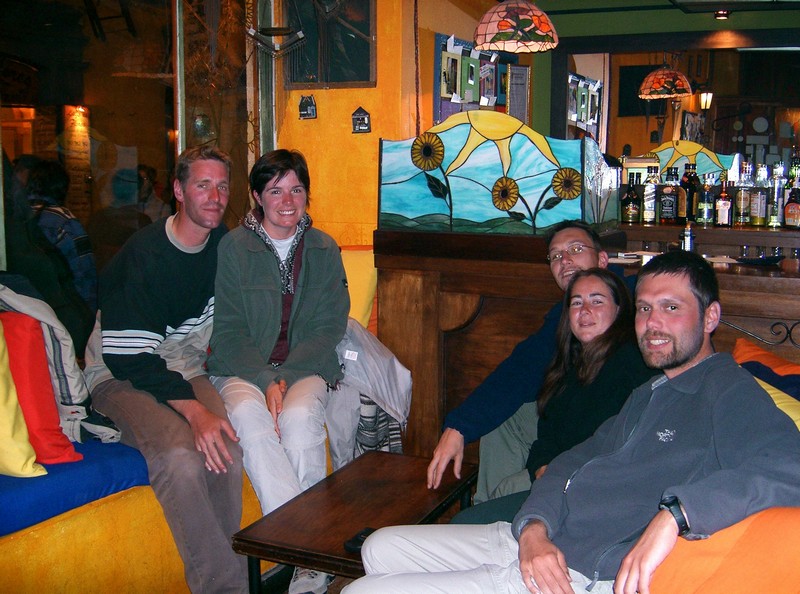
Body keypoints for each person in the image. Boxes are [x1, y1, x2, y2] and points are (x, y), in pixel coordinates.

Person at [343, 250, 800, 594]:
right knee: (377, 547)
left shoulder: (727, 389)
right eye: (644, 308)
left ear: (711, 317)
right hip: (542, 538)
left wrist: (676, 515)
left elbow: (788, 465)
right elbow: (569, 463)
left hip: (576, 573)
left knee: (363, 591)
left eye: (671, 307)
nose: (653, 323)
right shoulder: (651, 392)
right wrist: (535, 528)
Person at [82, 146, 248, 593]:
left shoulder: (220, 245)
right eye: (201, 185)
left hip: (182, 366)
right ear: (177, 190)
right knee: (180, 458)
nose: (214, 196)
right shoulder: (142, 256)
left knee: (227, 451)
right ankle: (227, 587)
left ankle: (225, 575)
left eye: (221, 185)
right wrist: (196, 412)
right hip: (119, 373)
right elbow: (130, 357)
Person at [207, 149, 355, 594]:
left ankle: (307, 563)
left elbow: (331, 323)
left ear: (307, 194)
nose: (287, 200)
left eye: (296, 189)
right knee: (251, 422)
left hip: (305, 365)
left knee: (297, 417)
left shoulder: (325, 248)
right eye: (275, 190)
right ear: (257, 196)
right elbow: (229, 331)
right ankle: (309, 547)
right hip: (240, 367)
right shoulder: (233, 248)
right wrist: (266, 379)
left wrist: (287, 375)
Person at [427, 220, 634, 503]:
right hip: (576, 423)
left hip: (610, 450)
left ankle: (499, 512)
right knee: (504, 416)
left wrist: (549, 466)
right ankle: (488, 513)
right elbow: (523, 370)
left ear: (602, 259)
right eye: (556, 255)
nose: (565, 260)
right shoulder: (566, 317)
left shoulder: (634, 302)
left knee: (508, 488)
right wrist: (462, 426)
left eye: (575, 249)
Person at [451, 268, 655, 525]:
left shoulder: (632, 364)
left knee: (481, 510)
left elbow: (617, 450)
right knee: (482, 509)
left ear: (619, 309)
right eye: (576, 303)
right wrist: (543, 466)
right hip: (557, 476)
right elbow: (546, 436)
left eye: (597, 301)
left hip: (595, 492)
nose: (585, 310)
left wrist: (555, 473)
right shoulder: (568, 366)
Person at [26, 158, 98, 313]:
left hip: (25, 304)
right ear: (63, 187)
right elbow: (84, 273)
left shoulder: (14, 217)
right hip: (59, 307)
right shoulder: (65, 222)